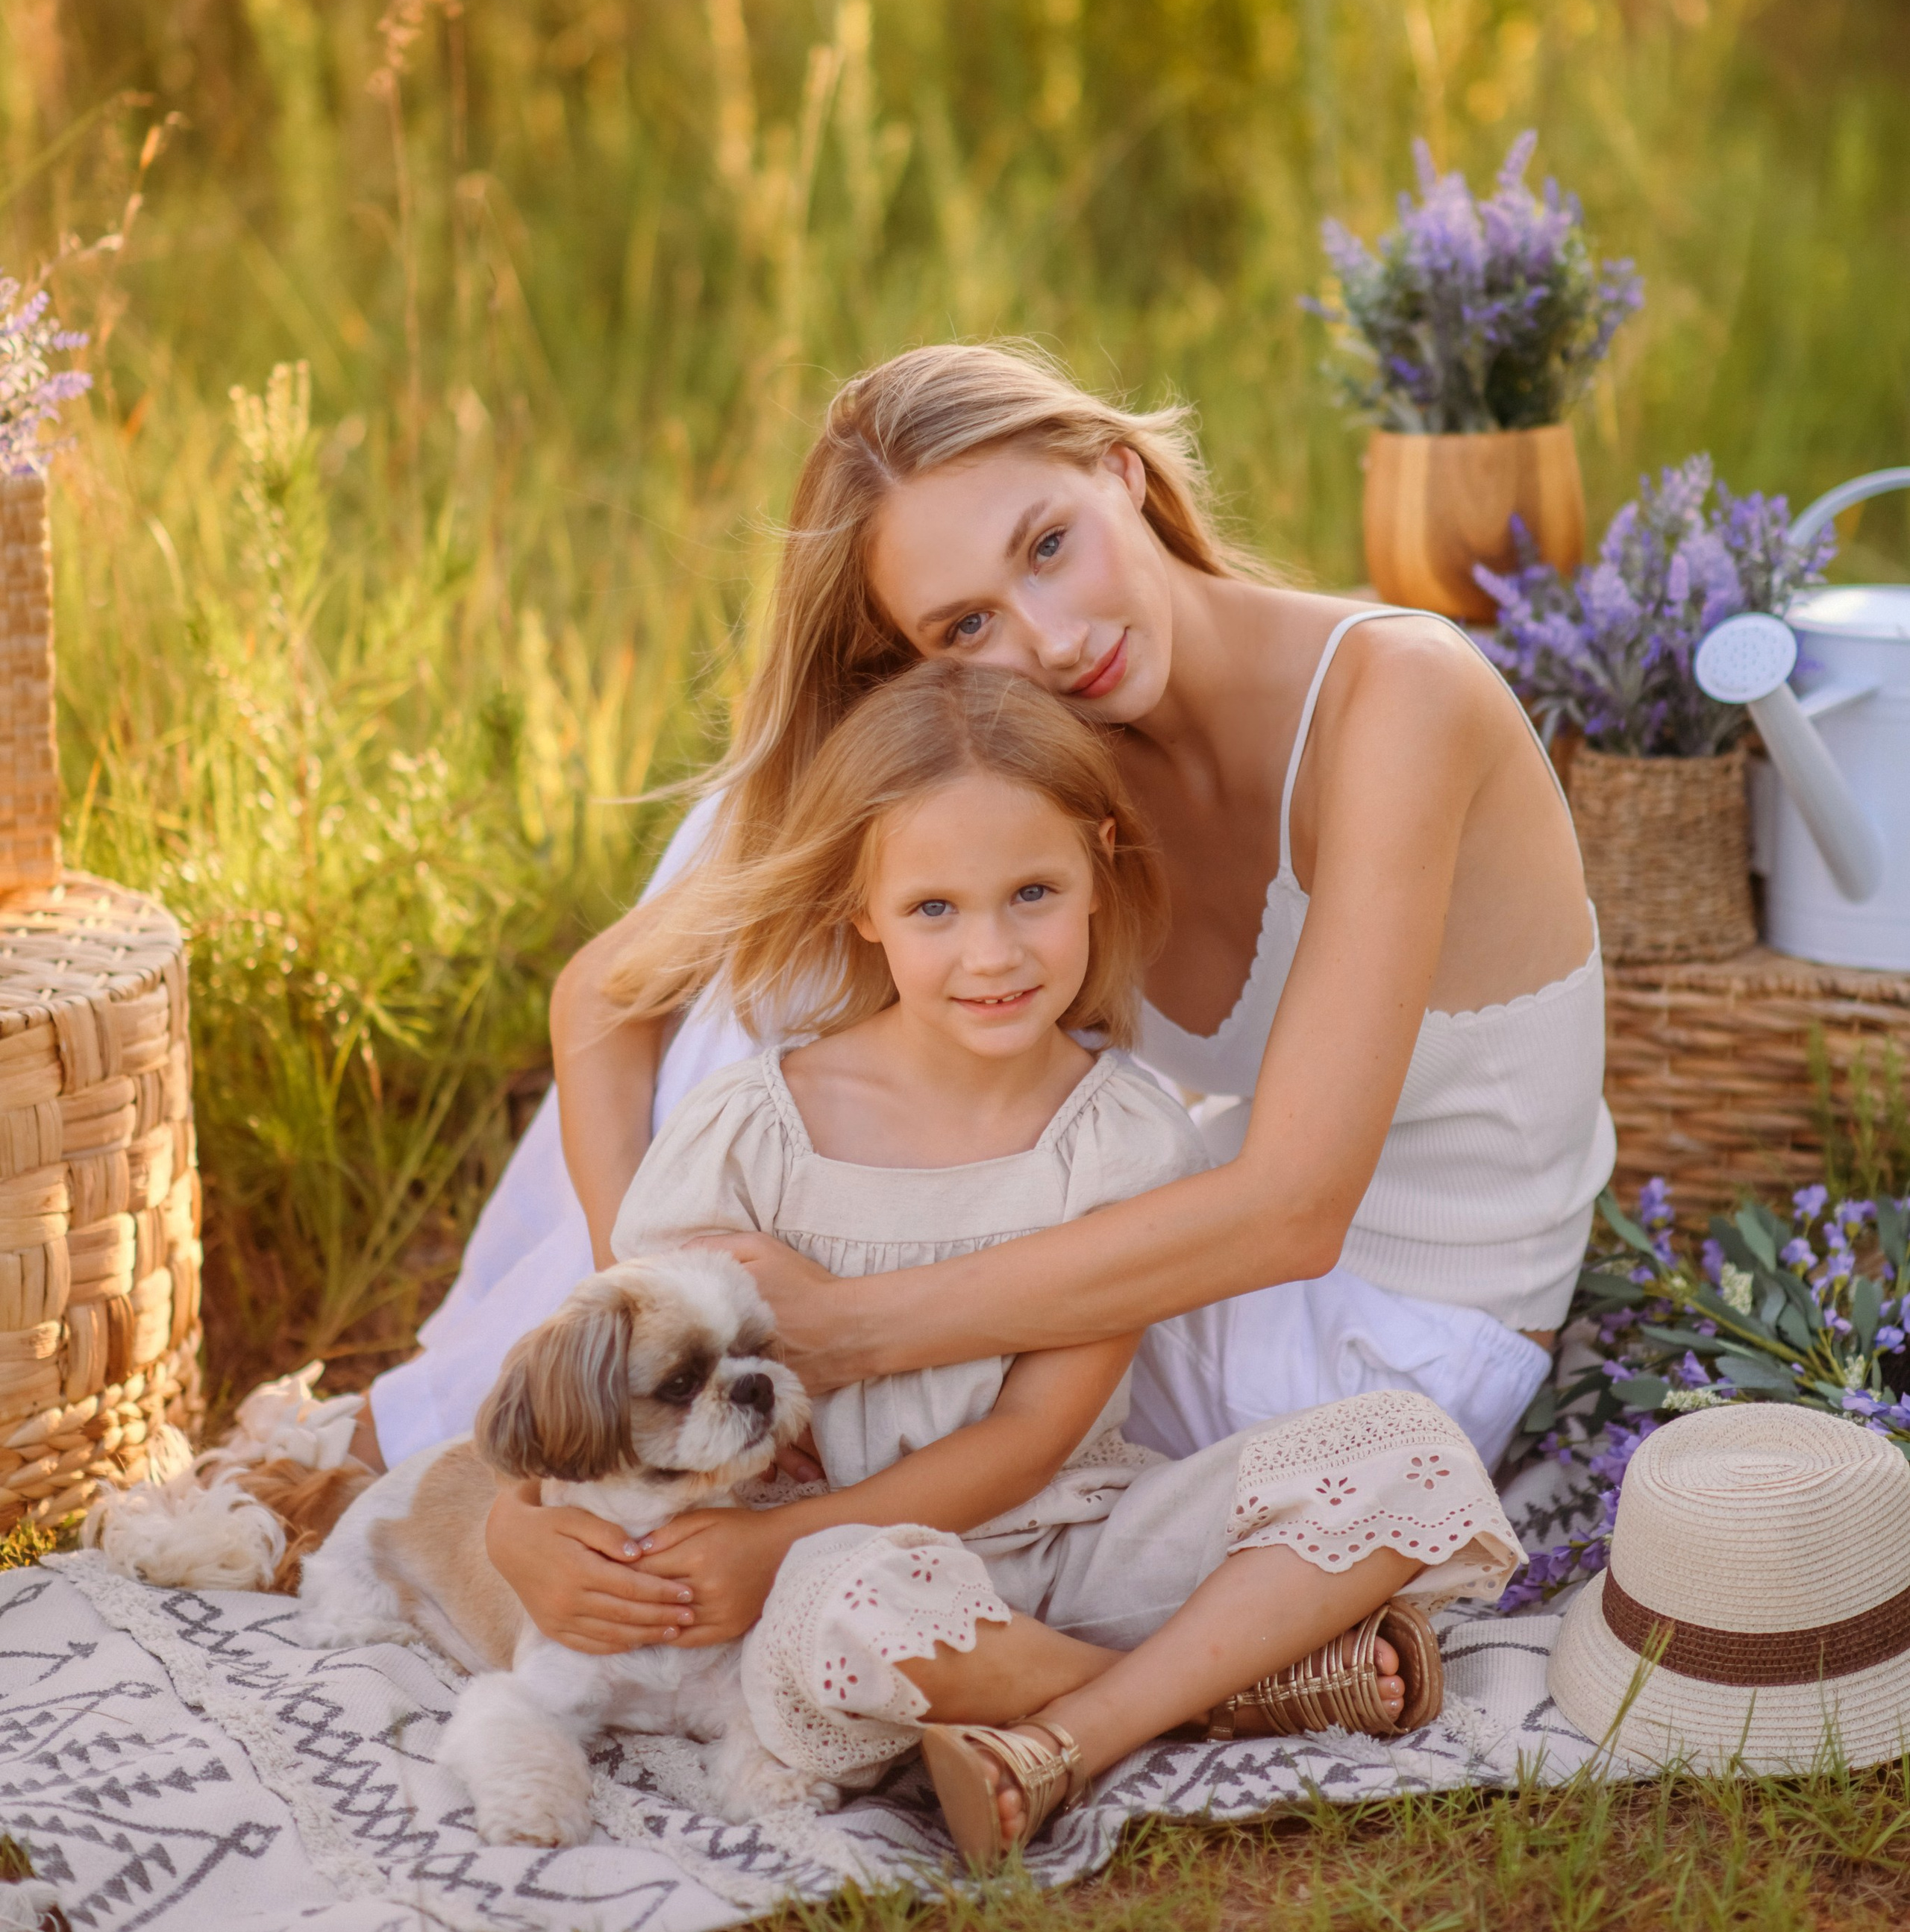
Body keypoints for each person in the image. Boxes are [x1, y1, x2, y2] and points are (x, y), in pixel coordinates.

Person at [359, 341, 1605, 1655]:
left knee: (832, 986)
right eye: (966, 628)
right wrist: (677, 1316)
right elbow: (606, 1002)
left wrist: (838, 1330)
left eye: (1049, 545)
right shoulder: (1045, 757)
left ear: (1120, 472)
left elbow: (1293, 1211)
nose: (1050, 640)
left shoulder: (1400, 696)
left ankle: (577, 1496)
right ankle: (588, 1459)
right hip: (1185, 1278)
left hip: (1382, 1340)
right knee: (781, 887)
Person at [604, 656, 1520, 1868]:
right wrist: (761, 1542)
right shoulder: (755, 1130)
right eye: (935, 909)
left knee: (1406, 1451)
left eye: (1032, 893)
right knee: (845, 1605)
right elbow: (631, 1375)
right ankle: (1217, 1694)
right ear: (862, 908)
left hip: (1074, 1544)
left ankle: (1070, 1730)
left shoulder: (1121, 1137)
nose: (992, 954)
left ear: (1099, 869)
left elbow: (1037, 1434)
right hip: (845, 1558)